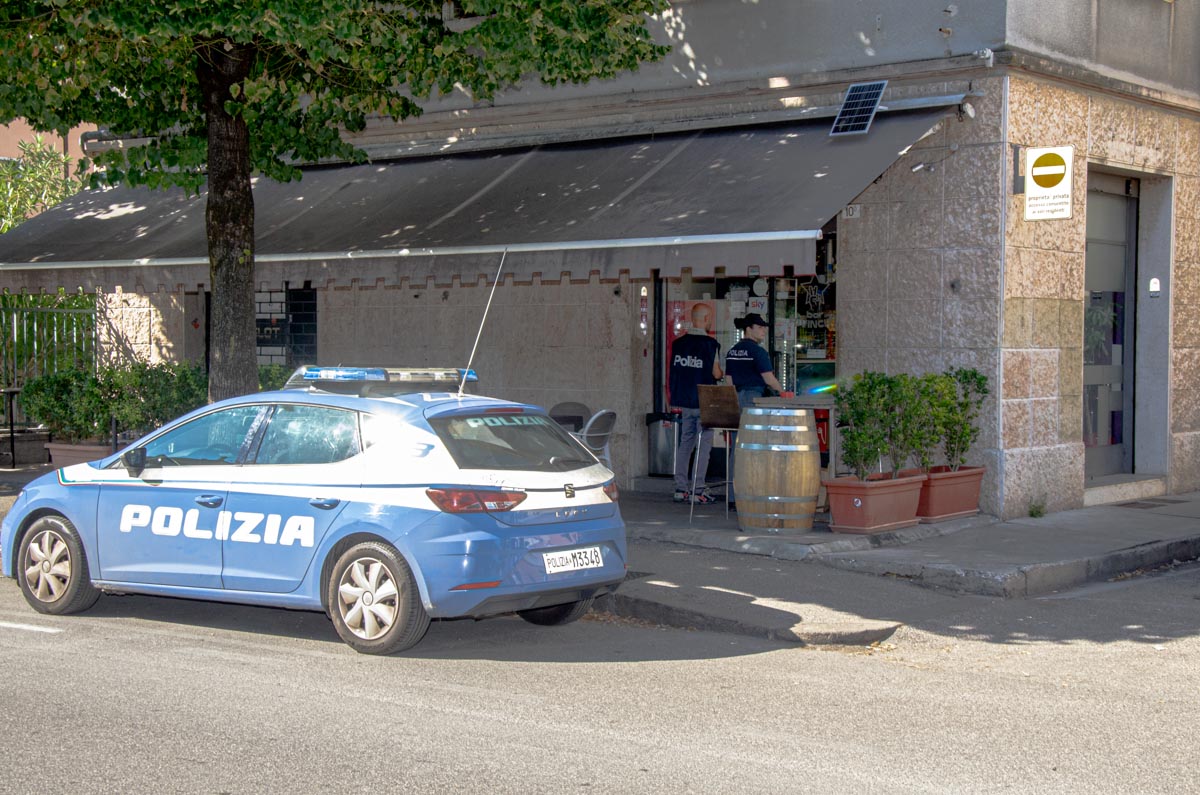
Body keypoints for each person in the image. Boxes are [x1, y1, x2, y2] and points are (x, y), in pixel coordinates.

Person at [724, 313, 785, 508]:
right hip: (754, 400)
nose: (764, 330)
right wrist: (783, 391)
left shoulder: (733, 351)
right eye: (760, 327)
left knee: (738, 447)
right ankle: (752, 493)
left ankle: (734, 497)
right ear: (748, 328)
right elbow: (768, 379)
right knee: (755, 447)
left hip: (735, 399)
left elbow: (729, 381)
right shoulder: (758, 352)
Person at [668, 304, 723, 504]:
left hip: (685, 400)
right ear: (707, 318)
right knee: (704, 444)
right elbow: (716, 373)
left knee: (685, 443)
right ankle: (698, 488)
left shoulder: (678, 344)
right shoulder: (710, 344)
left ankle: (680, 487)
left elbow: (674, 372)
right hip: (704, 400)